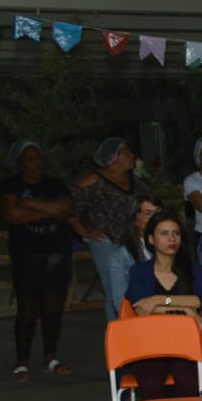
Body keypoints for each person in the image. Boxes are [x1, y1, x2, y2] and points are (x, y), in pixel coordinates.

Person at [124, 211, 202, 401]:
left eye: (176, 233)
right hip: (149, 345)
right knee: (151, 382)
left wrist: (159, 300)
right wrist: (185, 311)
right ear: (151, 239)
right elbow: (140, 306)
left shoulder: (193, 270)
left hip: (185, 345)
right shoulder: (140, 271)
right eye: (164, 233)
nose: (172, 239)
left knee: (189, 382)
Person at [0, 140, 73, 380]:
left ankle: (51, 357)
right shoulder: (10, 185)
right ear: (19, 163)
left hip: (57, 253)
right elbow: (11, 214)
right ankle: (22, 362)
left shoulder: (55, 184)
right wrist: (49, 210)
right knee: (27, 308)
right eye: (30, 158)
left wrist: (27, 204)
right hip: (26, 254)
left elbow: (65, 210)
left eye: (38, 157)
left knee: (53, 307)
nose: (36, 162)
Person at [71, 136, 140, 321]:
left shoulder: (134, 180)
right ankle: (117, 331)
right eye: (127, 153)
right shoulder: (92, 181)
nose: (132, 156)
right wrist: (83, 231)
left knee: (135, 286)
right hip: (106, 242)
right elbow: (70, 209)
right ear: (113, 157)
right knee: (114, 289)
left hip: (132, 240)